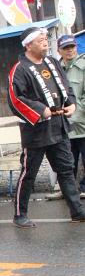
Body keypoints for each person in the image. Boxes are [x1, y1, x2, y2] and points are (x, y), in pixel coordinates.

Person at [8, 26, 85, 226]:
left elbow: (66, 86)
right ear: (29, 45)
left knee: (66, 169)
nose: (45, 42)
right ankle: (19, 214)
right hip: (35, 131)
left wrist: (71, 103)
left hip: (57, 126)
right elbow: (16, 98)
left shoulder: (51, 62)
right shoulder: (20, 69)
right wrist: (40, 109)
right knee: (29, 174)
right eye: (41, 40)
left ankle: (77, 211)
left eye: (46, 39)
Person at [57, 34, 85, 198]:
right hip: (64, 121)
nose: (70, 51)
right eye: (66, 48)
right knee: (67, 159)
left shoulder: (83, 64)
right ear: (59, 50)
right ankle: (67, 189)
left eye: (72, 47)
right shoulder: (56, 67)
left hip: (82, 120)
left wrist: (77, 111)